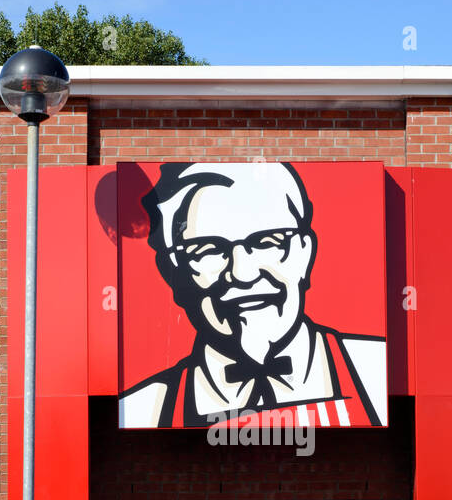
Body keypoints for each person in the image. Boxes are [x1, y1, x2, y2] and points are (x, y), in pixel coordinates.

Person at [118, 161, 386, 429]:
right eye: (207, 249)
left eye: (268, 242)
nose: (243, 274)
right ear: (173, 273)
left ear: (305, 253)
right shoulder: (142, 409)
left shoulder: (374, 370)